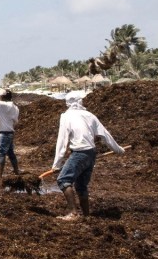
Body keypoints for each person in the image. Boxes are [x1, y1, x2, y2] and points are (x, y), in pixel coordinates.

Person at [51, 91, 125, 221]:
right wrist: (118, 150)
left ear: (68, 103)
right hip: (91, 153)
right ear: (80, 101)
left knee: (63, 180)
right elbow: (105, 135)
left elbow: (62, 141)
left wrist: (56, 164)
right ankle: (86, 215)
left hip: (79, 152)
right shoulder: (90, 115)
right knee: (81, 185)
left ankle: (73, 213)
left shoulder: (66, 116)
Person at [0, 89, 20, 179]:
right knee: (10, 153)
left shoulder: (1, 105)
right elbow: (15, 121)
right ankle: (16, 171)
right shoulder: (15, 107)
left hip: (4, 133)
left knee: (1, 153)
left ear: (2, 97)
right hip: (10, 132)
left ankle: (0, 175)